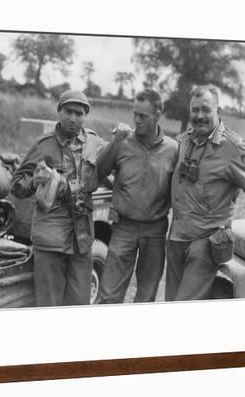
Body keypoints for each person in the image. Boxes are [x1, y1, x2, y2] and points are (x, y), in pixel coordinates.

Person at [166, 85, 245, 301]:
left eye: (206, 110)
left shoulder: (232, 148)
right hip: (176, 239)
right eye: (194, 110)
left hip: (205, 244)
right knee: (170, 301)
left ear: (218, 111)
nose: (199, 116)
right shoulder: (183, 141)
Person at [10, 90, 105, 307]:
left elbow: (109, 170)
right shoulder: (43, 145)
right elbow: (17, 186)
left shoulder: (95, 143)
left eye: (79, 113)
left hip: (82, 237)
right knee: (49, 304)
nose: (73, 118)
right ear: (59, 111)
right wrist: (34, 181)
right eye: (68, 111)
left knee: (80, 301)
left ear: (85, 115)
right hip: (50, 236)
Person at [96, 89, 178, 304]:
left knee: (146, 296)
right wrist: (113, 142)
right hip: (123, 227)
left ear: (158, 114)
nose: (137, 120)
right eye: (135, 114)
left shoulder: (173, 149)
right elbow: (99, 172)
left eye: (143, 116)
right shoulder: (122, 141)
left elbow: (179, 190)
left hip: (155, 230)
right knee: (109, 295)